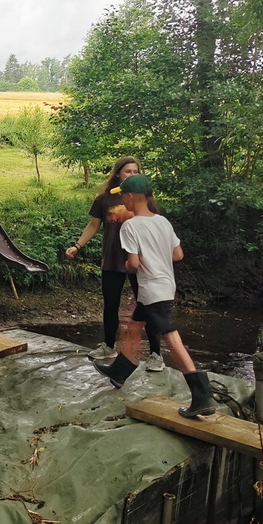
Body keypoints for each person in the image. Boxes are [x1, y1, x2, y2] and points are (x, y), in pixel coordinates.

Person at [93, 174, 216, 419]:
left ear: (131, 196)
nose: (122, 200)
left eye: (123, 195)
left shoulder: (130, 226)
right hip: (165, 284)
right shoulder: (163, 222)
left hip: (151, 289)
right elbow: (178, 255)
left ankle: (201, 395)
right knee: (135, 325)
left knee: (170, 336)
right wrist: (156, 256)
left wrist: (128, 264)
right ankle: (120, 371)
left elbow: (133, 264)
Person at [66, 157, 164, 371]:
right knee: (110, 305)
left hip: (140, 260)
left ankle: (156, 355)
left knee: (147, 305)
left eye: (136, 171)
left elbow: (155, 228)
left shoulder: (145, 199)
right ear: (118, 174)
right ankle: (109, 347)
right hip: (113, 257)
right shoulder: (104, 199)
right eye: (128, 171)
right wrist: (77, 246)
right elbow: (93, 225)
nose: (132, 175)